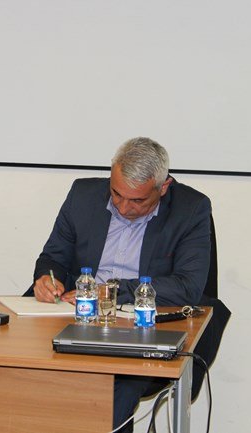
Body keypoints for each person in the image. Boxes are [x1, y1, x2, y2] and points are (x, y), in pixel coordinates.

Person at [28, 137, 211, 432]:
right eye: (116, 194)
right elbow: (53, 257)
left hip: (142, 329)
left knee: (115, 389)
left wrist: (112, 291)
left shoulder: (190, 209)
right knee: (24, 367)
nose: (123, 207)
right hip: (76, 318)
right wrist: (48, 279)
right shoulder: (83, 195)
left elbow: (187, 286)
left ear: (163, 187)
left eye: (137, 201)